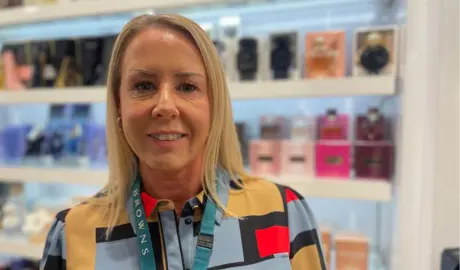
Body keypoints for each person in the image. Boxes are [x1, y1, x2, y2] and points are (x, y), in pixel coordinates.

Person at [40, 14, 326, 270]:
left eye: (187, 87)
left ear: (214, 106)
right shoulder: (72, 233)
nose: (165, 105)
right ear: (118, 106)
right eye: (143, 86)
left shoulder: (282, 212)